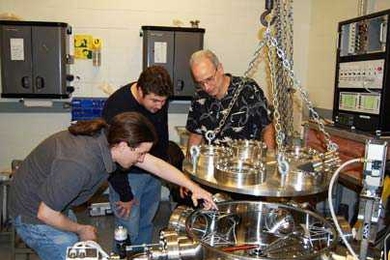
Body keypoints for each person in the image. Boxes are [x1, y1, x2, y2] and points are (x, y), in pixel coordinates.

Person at [9, 112, 217, 260]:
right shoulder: (81, 163)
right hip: (31, 214)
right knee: (78, 252)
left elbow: (155, 165)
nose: (142, 159)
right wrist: (81, 229)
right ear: (124, 145)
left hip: (51, 204)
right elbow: (46, 214)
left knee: (86, 248)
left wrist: (194, 187)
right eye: (140, 153)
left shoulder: (109, 139)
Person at [102, 65, 173, 245]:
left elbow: (161, 136)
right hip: (128, 177)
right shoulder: (117, 106)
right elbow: (110, 155)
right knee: (127, 230)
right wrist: (125, 195)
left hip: (152, 173)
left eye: (164, 101)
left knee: (145, 225)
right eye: (155, 101)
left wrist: (164, 171)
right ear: (140, 90)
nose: (160, 106)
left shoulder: (158, 100)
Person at [186, 49, 275, 149]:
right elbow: (196, 135)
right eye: (200, 83)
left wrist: (270, 159)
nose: (206, 87)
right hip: (215, 160)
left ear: (220, 69)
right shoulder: (199, 97)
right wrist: (189, 163)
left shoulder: (248, 89)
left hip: (246, 160)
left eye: (209, 79)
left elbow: (267, 128)